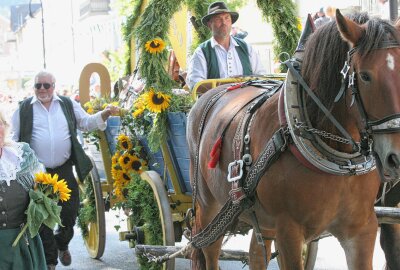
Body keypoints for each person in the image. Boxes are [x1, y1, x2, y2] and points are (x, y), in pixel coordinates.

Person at [11, 70, 119, 270]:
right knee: (41, 219)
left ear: (54, 86)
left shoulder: (67, 104)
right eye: (38, 86)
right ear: (33, 88)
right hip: (37, 174)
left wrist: (104, 114)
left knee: (70, 213)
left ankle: (62, 243)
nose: (42, 89)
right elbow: (12, 138)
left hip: (64, 169)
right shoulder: (24, 108)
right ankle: (50, 262)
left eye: (46, 85)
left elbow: (85, 123)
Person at [0, 110, 47, 270]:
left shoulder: (22, 156)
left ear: (5, 127)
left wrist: (44, 201)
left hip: (22, 246)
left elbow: (43, 185)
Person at [186, 1, 265, 90]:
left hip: (247, 102)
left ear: (231, 22)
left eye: (227, 18)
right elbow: (195, 84)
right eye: (218, 19)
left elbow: (261, 76)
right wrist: (227, 85)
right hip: (216, 103)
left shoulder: (246, 47)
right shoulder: (202, 52)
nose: (224, 22)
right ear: (209, 25)